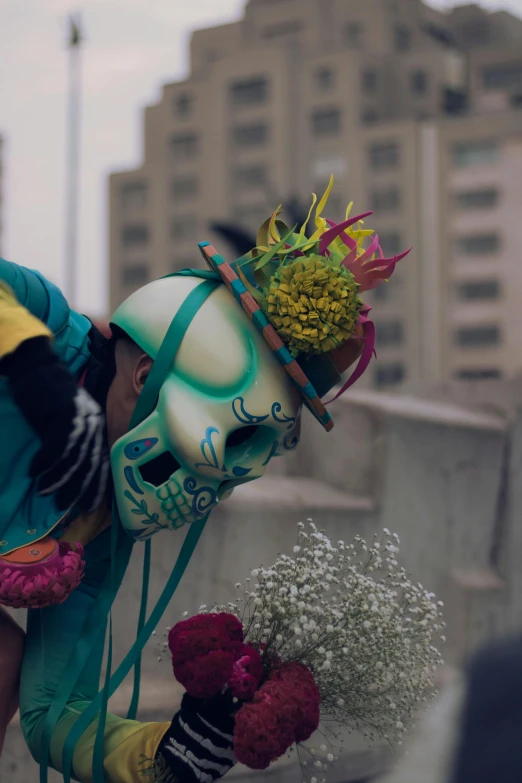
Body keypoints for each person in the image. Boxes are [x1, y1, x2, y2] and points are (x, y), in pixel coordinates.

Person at [0, 185, 405, 782]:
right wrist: (33, 368)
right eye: (240, 437)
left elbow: (55, 713)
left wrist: (172, 752)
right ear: (143, 376)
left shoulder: (98, 525)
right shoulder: (46, 328)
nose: (242, 474)